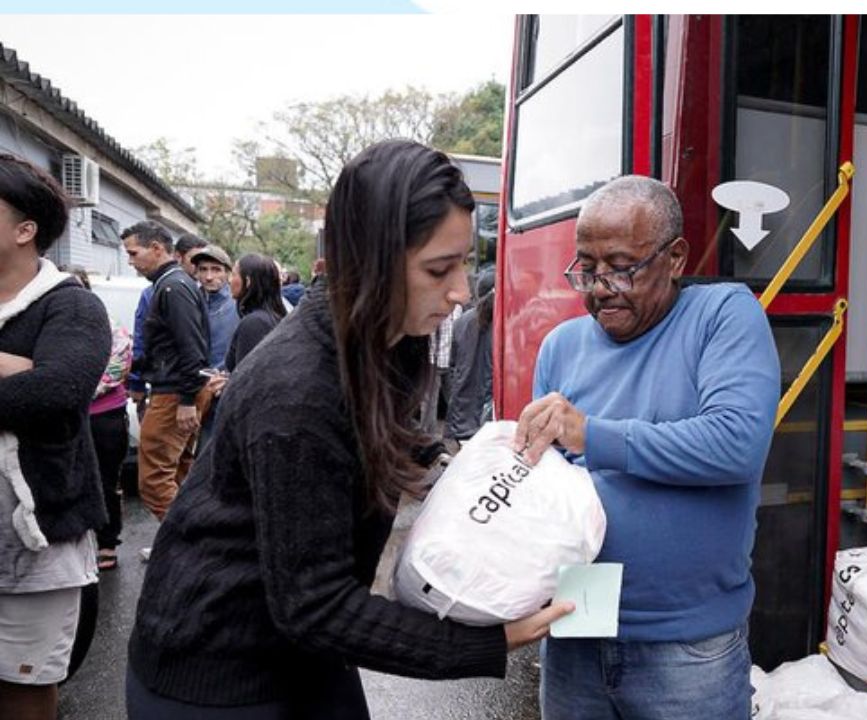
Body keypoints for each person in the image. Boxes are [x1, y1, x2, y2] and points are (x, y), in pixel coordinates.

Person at [127, 140, 572, 719]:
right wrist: (491, 640)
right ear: (369, 259)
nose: (462, 290)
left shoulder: (390, 341)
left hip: (304, 655)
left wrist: (493, 474)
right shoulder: (298, 391)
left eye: (464, 261)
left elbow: (395, 444)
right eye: (440, 269)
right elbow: (315, 604)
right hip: (218, 672)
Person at [513, 175, 781, 720]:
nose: (599, 286)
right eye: (586, 268)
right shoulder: (561, 346)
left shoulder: (723, 315)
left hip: (687, 643)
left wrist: (591, 434)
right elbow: (544, 487)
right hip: (577, 619)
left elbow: (735, 444)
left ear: (676, 257)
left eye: (621, 266)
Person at [0, 154, 111, 720]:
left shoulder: (72, 306)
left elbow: (56, 393)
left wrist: (35, 377)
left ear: (25, 230)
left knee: (22, 690)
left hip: (36, 542)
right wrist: (15, 367)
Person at [123, 221, 211, 522]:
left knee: (154, 482)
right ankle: (196, 549)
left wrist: (186, 400)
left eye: (134, 253)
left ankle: (191, 547)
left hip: (174, 392)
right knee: (180, 474)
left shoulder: (173, 286)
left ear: (157, 248)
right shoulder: (172, 284)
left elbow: (191, 348)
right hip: (177, 390)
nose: (130, 261)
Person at [62, 268, 133, 572]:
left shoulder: (109, 326)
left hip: (105, 416)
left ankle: (107, 541)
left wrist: (70, 387)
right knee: (64, 478)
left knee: (106, 480)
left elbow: (118, 367)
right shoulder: (48, 324)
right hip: (62, 416)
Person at [188, 245, 236, 455]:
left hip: (225, 394)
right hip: (191, 393)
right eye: (203, 269)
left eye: (216, 269)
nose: (208, 276)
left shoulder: (239, 303)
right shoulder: (187, 300)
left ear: (227, 272)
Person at [444, 269, 495, 442]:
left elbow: (452, 366)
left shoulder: (461, 322)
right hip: (487, 415)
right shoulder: (504, 323)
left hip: (461, 413)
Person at [224, 253, 287, 374]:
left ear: (248, 281)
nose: (229, 280)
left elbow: (247, 379)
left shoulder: (254, 324)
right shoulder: (271, 317)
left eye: (233, 274)